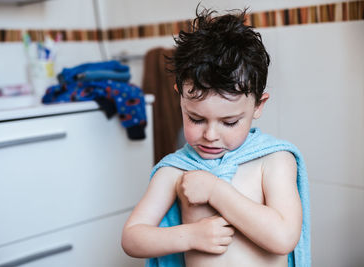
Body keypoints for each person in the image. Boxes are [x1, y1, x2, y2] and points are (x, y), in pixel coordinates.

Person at [121, 7, 310, 267]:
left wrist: (216, 192)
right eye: (196, 119)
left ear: (258, 106)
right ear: (180, 97)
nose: (210, 135)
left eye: (230, 122)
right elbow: (132, 238)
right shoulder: (176, 170)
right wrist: (190, 236)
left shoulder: (274, 161)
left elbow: (283, 238)